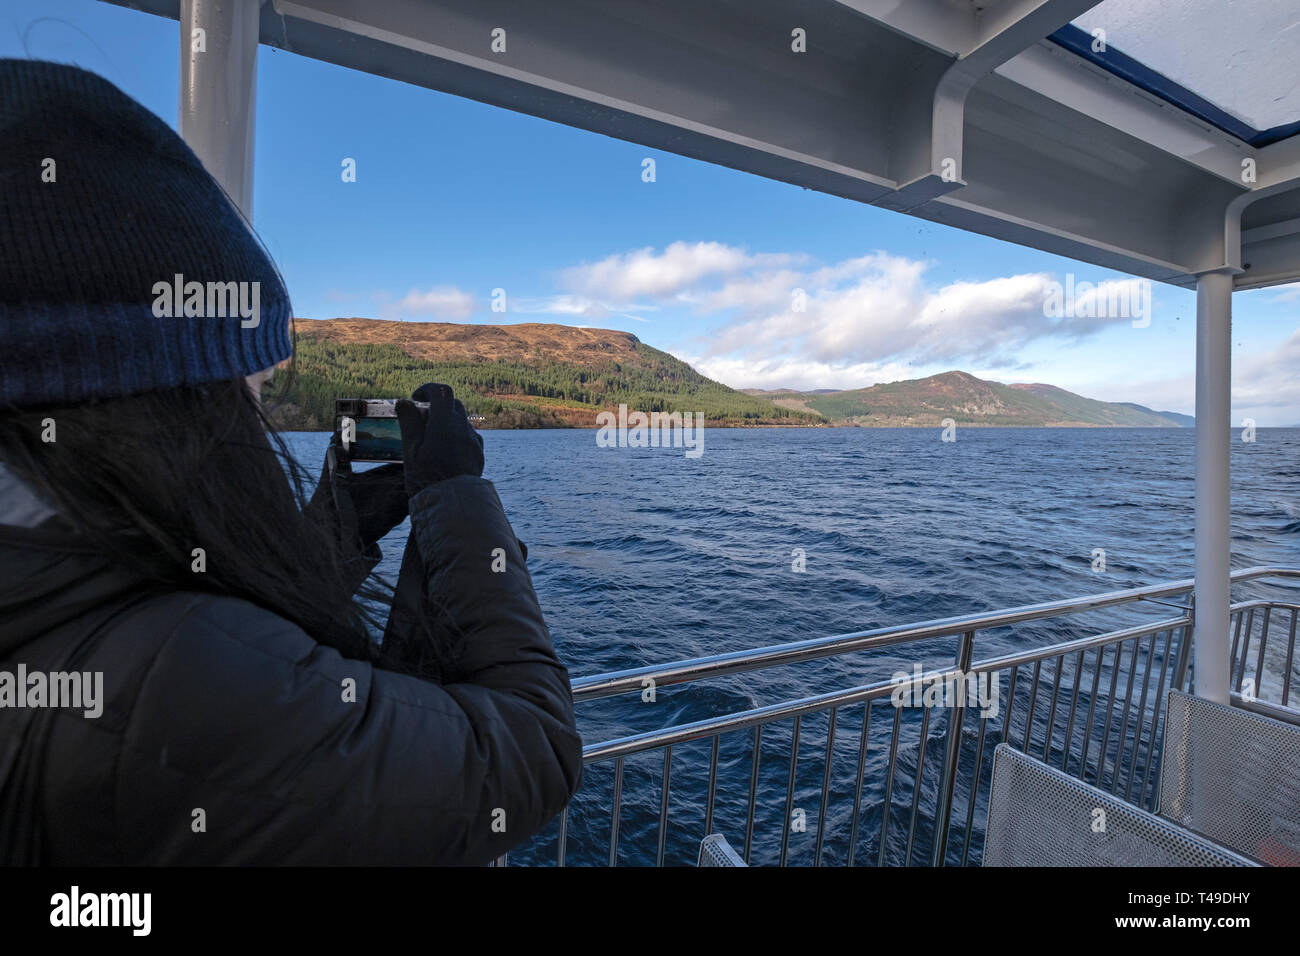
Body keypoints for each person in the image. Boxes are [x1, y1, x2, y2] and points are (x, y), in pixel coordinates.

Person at [0, 59, 582, 865]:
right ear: (169, 389)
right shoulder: (169, 686)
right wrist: (456, 493)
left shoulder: (64, 592)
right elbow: (531, 752)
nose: (258, 412)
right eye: (250, 387)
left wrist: (338, 525)